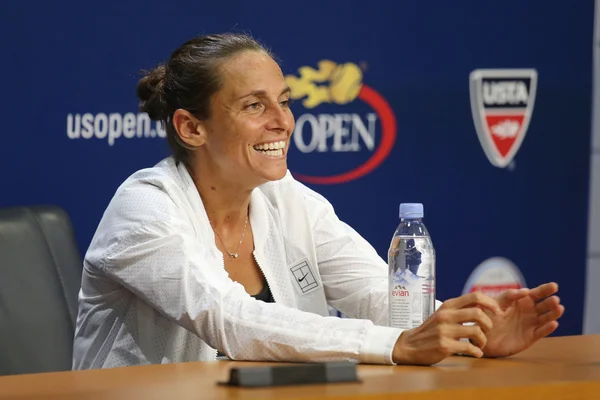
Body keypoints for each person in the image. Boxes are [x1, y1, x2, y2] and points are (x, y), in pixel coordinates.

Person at [71, 33, 564, 369]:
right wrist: (397, 345)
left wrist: (468, 337)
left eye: (284, 100)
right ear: (191, 127)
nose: (283, 121)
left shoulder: (286, 199)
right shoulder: (145, 210)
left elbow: (377, 294)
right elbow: (228, 319)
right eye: (254, 105)